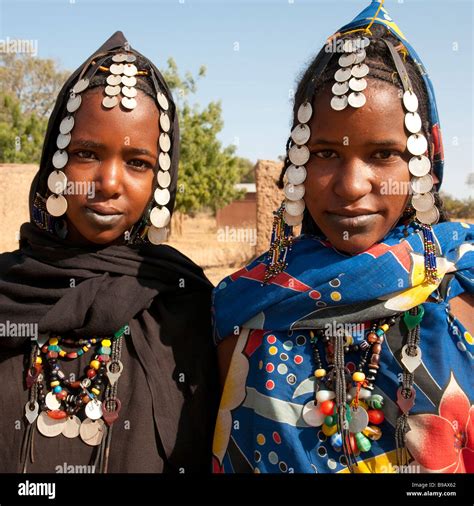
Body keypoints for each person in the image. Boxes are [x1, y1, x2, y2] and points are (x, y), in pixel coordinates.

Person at [212, 0, 473, 474]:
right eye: (326, 152)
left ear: (422, 167)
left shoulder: (464, 294)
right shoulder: (242, 308)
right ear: (296, 166)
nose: (351, 186)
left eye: (382, 154)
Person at [0, 31, 218, 473]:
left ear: (161, 182)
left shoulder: (185, 304)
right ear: (56, 165)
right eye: (86, 154)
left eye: (138, 162)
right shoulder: (9, 291)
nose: (110, 183)